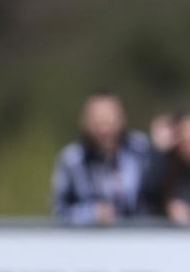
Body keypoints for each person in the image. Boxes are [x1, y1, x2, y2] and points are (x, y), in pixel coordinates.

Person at [51, 92, 151, 225]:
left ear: (122, 119)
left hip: (141, 240)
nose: (105, 130)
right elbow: (58, 213)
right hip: (89, 242)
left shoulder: (142, 150)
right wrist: (91, 213)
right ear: (84, 122)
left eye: (110, 122)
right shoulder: (71, 160)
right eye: (98, 123)